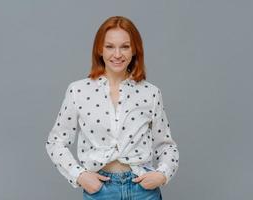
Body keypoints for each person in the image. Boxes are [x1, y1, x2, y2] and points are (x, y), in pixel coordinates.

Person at [45, 16, 179, 200]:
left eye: (125, 46)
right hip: (101, 191)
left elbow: (166, 145)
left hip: (143, 191)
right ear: (99, 49)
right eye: (110, 47)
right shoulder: (78, 91)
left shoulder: (150, 93)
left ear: (135, 50)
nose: (117, 54)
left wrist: (162, 174)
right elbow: (55, 141)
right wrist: (80, 175)